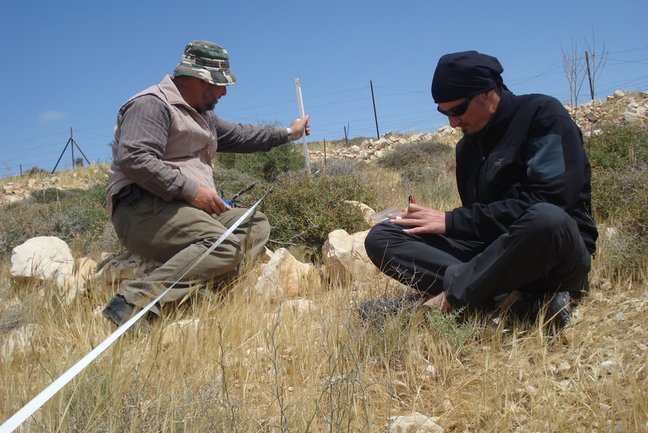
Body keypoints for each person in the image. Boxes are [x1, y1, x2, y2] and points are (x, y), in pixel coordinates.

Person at [363, 51, 597, 327]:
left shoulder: (543, 116)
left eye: (456, 110)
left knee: (546, 218)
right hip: (495, 255)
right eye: (443, 112)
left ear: (486, 94)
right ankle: (510, 300)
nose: (452, 122)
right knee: (384, 236)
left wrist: (453, 221)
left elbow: (554, 201)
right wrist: (441, 222)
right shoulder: (466, 148)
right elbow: (482, 218)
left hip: (553, 254)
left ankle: (454, 298)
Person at [102, 40, 310, 326]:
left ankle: (203, 296)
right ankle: (133, 302)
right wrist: (190, 190)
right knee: (221, 244)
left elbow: (242, 136)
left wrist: (289, 133)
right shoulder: (152, 105)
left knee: (253, 224)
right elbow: (135, 158)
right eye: (219, 84)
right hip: (141, 209)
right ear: (198, 80)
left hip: (186, 210)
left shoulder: (202, 116)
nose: (224, 92)